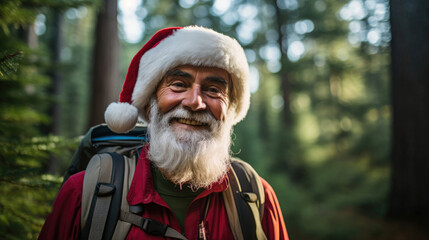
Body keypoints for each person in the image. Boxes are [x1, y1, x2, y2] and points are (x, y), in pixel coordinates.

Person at [39, 26, 288, 240]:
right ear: (150, 101)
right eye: (178, 84)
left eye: (213, 89)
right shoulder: (83, 193)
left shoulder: (256, 196)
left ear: (230, 109)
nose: (195, 102)